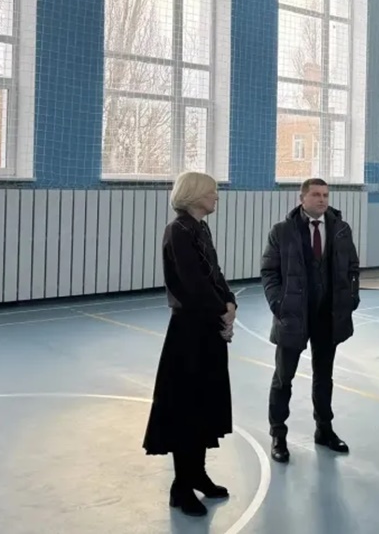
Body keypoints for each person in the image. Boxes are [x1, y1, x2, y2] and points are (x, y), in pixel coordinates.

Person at [142, 171, 237, 517]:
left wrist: (230, 302)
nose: (216, 197)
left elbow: (214, 273)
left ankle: (197, 473)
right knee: (186, 409)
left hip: (208, 327)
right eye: (211, 192)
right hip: (189, 333)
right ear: (195, 195)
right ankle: (181, 486)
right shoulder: (178, 231)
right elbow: (193, 284)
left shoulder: (200, 228)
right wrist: (221, 312)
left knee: (205, 405)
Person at [261, 177, 361, 463]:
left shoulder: (340, 229)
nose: (322, 200)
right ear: (302, 198)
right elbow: (269, 271)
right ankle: (278, 434)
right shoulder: (282, 231)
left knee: (324, 376)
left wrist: (350, 298)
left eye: (326, 195)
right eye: (316, 194)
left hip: (328, 316)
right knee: (284, 377)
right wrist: (279, 304)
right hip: (293, 315)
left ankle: (324, 429)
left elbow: (352, 267)